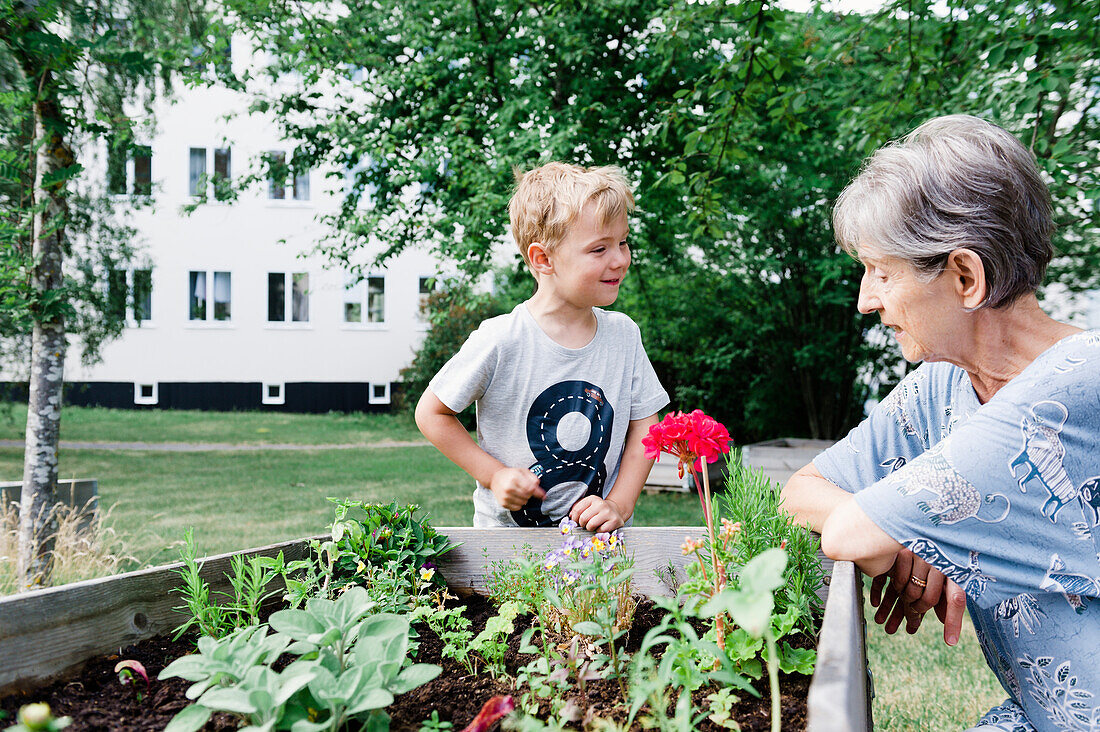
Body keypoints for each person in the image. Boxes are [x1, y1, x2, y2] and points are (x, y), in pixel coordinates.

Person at [780, 114, 1100, 731]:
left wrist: (903, 529)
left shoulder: (1077, 385)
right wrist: (924, 536)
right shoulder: (946, 385)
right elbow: (801, 492)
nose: (865, 300)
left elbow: (849, 531)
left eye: (882, 271)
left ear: (964, 276)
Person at [416, 162, 669, 531]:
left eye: (623, 241)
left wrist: (619, 504)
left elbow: (646, 427)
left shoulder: (624, 335)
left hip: (601, 557)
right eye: (599, 249)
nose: (619, 259)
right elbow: (431, 414)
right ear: (543, 259)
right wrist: (495, 475)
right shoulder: (501, 339)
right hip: (507, 559)